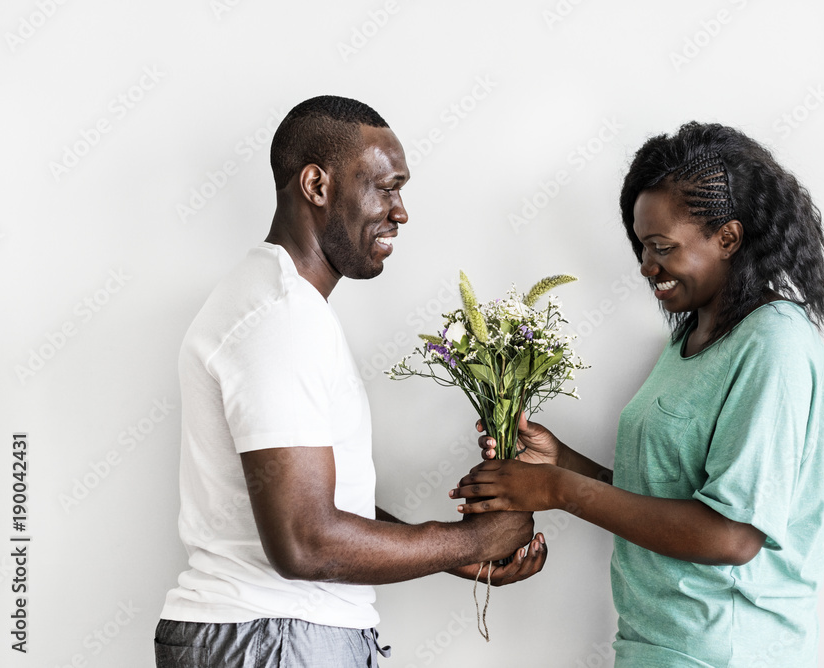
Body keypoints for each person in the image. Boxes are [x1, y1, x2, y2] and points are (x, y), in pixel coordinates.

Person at [154, 96, 546, 668]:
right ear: (317, 185)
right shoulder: (280, 318)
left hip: (273, 636)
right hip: (273, 639)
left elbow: (323, 504)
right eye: (386, 187)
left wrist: (449, 555)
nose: (401, 211)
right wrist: (473, 542)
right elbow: (306, 541)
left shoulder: (280, 303)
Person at [450, 122, 824, 667]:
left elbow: (732, 536)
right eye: (640, 246)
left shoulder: (773, 341)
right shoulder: (690, 335)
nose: (645, 266)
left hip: (726, 651)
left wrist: (556, 488)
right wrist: (560, 460)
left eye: (662, 247)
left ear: (727, 238)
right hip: (656, 645)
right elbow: (661, 503)